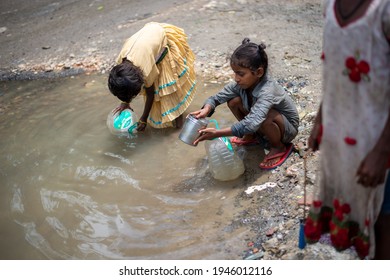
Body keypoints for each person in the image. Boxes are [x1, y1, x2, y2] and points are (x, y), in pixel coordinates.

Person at [305, 0, 390, 259]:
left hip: (379, 137)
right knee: (358, 209)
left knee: (383, 218)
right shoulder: (331, 6)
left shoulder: (383, 11)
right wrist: (321, 118)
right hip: (344, 133)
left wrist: (382, 151)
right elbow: (336, 70)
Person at [190, 38, 299, 170]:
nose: (236, 78)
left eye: (240, 74)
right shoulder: (241, 85)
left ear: (259, 72)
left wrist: (218, 133)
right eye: (235, 73)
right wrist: (206, 109)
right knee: (233, 101)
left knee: (265, 115)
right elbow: (216, 98)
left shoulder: (268, 90)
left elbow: (253, 121)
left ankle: (278, 147)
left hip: (287, 129)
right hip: (260, 121)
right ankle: (251, 135)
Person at [108, 22, 196, 131]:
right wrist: (125, 102)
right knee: (159, 87)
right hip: (149, 36)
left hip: (163, 37)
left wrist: (143, 119)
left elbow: (151, 94)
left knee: (171, 90)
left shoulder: (145, 69)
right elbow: (125, 83)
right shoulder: (120, 63)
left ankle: (179, 127)